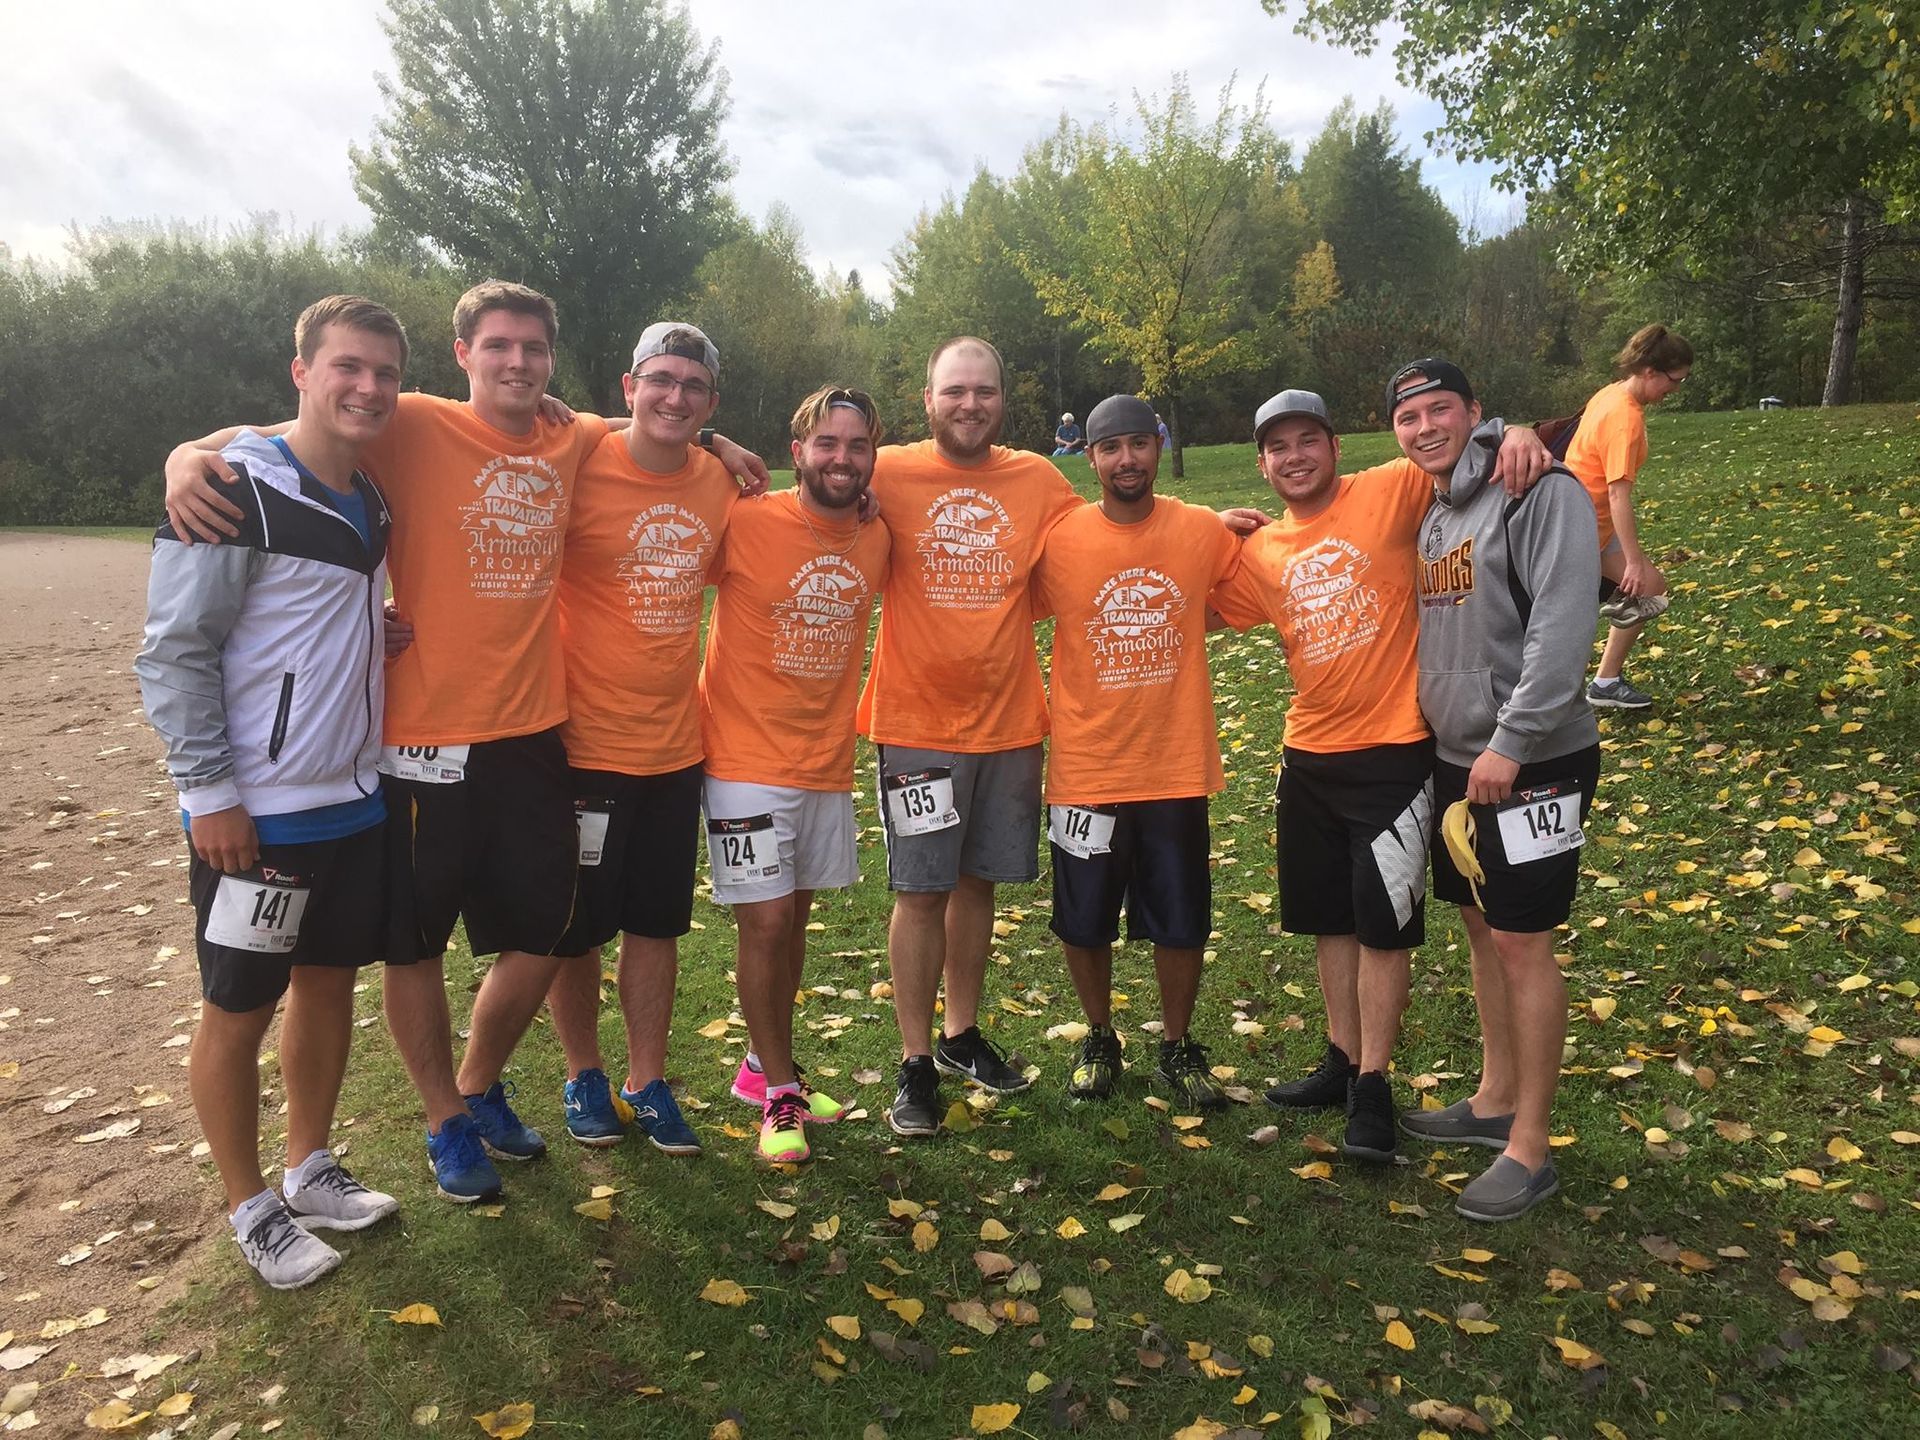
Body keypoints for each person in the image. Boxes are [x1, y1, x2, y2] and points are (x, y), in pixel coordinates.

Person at [162, 282, 614, 1203]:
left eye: (532, 347)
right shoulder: (406, 417)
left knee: (544, 928)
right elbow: (273, 436)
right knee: (411, 946)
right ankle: (443, 1119)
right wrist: (183, 454)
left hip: (529, 731)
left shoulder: (574, 434)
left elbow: (659, 414)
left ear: (552, 359)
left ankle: (476, 1086)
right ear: (464, 354)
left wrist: (725, 445)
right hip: (416, 742)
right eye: (497, 346)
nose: (517, 362)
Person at [135, 295, 407, 1287]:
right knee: (237, 1008)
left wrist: (375, 638)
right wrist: (209, 792)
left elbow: (310, 618)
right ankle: (249, 1205)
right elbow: (174, 654)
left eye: (383, 371)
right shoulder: (232, 485)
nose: (367, 387)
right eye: (347, 366)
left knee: (330, 986)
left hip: (353, 800)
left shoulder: (370, 496)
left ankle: (309, 1166)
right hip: (255, 814)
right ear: (301, 371)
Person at [1211, 390, 1549, 1160]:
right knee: (1329, 918)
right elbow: (1188, 601)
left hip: (1393, 754)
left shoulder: (1391, 488)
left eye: (1307, 441)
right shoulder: (1262, 553)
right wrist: (1205, 527)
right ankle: (1338, 1059)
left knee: (1381, 923)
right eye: (1277, 448)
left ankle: (1374, 1083)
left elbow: (1459, 447)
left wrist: (1515, 432)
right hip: (1306, 759)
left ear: (1335, 447)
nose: (1294, 457)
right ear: (1262, 464)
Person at [1385, 358, 1601, 1222]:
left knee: (1523, 943)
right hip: (1457, 759)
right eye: (1409, 418)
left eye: (1442, 409)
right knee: (1481, 929)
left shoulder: (1538, 491)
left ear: (1476, 410)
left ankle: (1532, 1147)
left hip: (1533, 759)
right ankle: (1494, 1098)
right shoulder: (1435, 509)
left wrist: (1512, 743)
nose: (1426, 426)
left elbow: (1561, 624)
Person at [859, 338, 1085, 1138]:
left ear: (1003, 399)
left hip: (1011, 723)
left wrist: (1209, 527)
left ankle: (959, 1034)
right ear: (927, 399)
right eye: (954, 390)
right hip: (917, 724)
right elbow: (805, 478)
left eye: (984, 391)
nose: (970, 404)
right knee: (920, 891)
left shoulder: (1039, 479)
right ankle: (915, 1062)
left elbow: (1110, 536)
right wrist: (714, 440)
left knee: (978, 884)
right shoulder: (885, 469)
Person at [540, 322, 737, 1154]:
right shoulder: (577, 460)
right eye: (660, 379)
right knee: (576, 928)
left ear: (710, 404)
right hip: (581, 743)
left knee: (657, 926)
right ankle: (584, 1072)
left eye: (693, 386)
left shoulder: (722, 482)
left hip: (674, 746)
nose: (675, 397)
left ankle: (647, 1080)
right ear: (627, 389)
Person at [1031, 395, 1241, 1110]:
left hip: (1175, 761)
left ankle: (1178, 1045)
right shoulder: (1058, 540)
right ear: (1088, 457)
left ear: (1159, 445)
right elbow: (995, 602)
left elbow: (1246, 578)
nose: (1127, 460)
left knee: (1180, 918)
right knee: (1082, 918)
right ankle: (1099, 1035)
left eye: (1139, 444)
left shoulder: (1200, 529)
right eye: (1110, 447)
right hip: (1084, 768)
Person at [700, 386, 891, 1163]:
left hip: (823, 762)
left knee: (795, 925)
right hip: (742, 758)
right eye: (827, 444)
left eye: (856, 447)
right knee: (766, 923)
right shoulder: (745, 519)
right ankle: (781, 1091)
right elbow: (646, 441)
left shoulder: (879, 533)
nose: (841, 459)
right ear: (798, 451)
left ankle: (761, 1065)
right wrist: (713, 437)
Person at [1564, 324, 1693, 710]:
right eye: (1675, 380)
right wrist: (1633, 562)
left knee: (1650, 586)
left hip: (1584, 519)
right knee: (1641, 586)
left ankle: (1605, 682)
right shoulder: (1625, 418)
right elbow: (1618, 494)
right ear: (1650, 372)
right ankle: (1578, 688)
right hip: (1580, 529)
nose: (1676, 388)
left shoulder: (1611, 393)